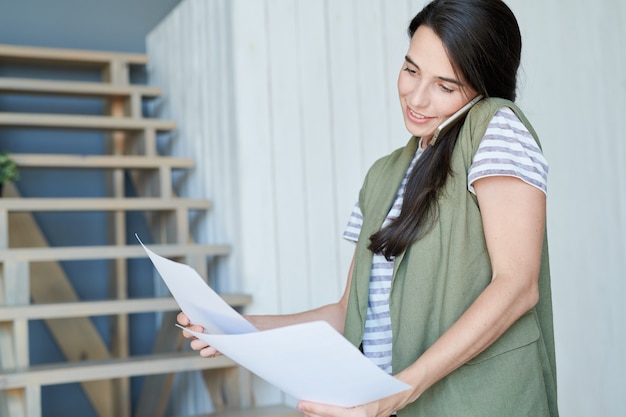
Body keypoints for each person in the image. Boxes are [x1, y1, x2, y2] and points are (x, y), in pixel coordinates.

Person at [178, 0, 559, 415]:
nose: (416, 96)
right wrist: (238, 331)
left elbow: (517, 287)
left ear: (483, 88)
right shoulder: (383, 175)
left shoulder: (495, 125)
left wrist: (398, 390)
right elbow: (349, 313)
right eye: (411, 69)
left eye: (445, 86)